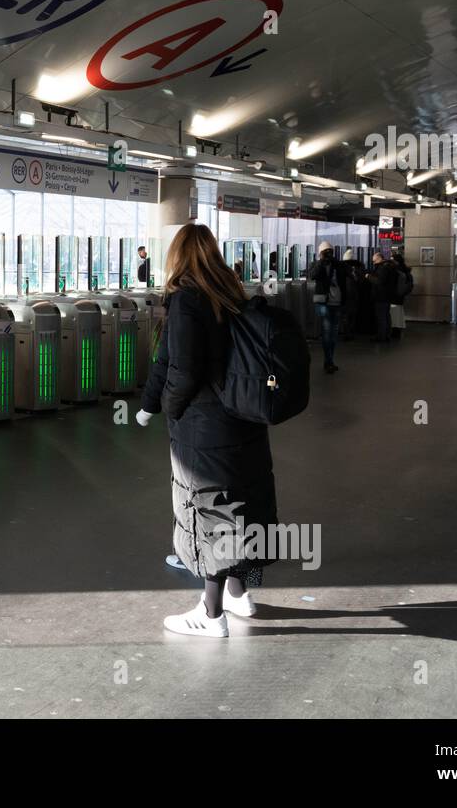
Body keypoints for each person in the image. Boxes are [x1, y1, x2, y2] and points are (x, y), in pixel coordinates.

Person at [136, 223, 277, 638]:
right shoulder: (232, 293)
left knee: (209, 510)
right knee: (242, 504)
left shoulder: (186, 299)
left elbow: (181, 366)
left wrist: (170, 409)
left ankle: (211, 615)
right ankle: (239, 593)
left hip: (205, 425)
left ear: (177, 255)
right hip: (244, 416)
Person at [308, 241, 342, 373]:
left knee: (333, 334)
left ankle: (330, 359)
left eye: (330, 252)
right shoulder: (316, 264)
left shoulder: (337, 265)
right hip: (324, 302)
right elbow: (313, 275)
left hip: (337, 301)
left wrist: (334, 261)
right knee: (327, 333)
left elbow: (346, 274)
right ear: (320, 253)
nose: (329, 254)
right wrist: (321, 261)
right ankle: (328, 361)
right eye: (326, 252)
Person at [367, 251, 398, 342]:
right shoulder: (390, 266)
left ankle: (381, 337)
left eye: (374, 261)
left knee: (381, 317)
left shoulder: (383, 268)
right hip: (387, 296)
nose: (374, 263)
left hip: (381, 296)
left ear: (379, 259)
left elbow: (379, 281)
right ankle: (387, 335)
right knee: (386, 316)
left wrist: (369, 276)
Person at [338, 249, 364, 340]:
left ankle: (346, 333)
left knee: (345, 315)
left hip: (345, 295)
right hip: (355, 295)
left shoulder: (342, 268)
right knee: (352, 315)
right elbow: (361, 281)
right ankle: (351, 332)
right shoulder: (359, 268)